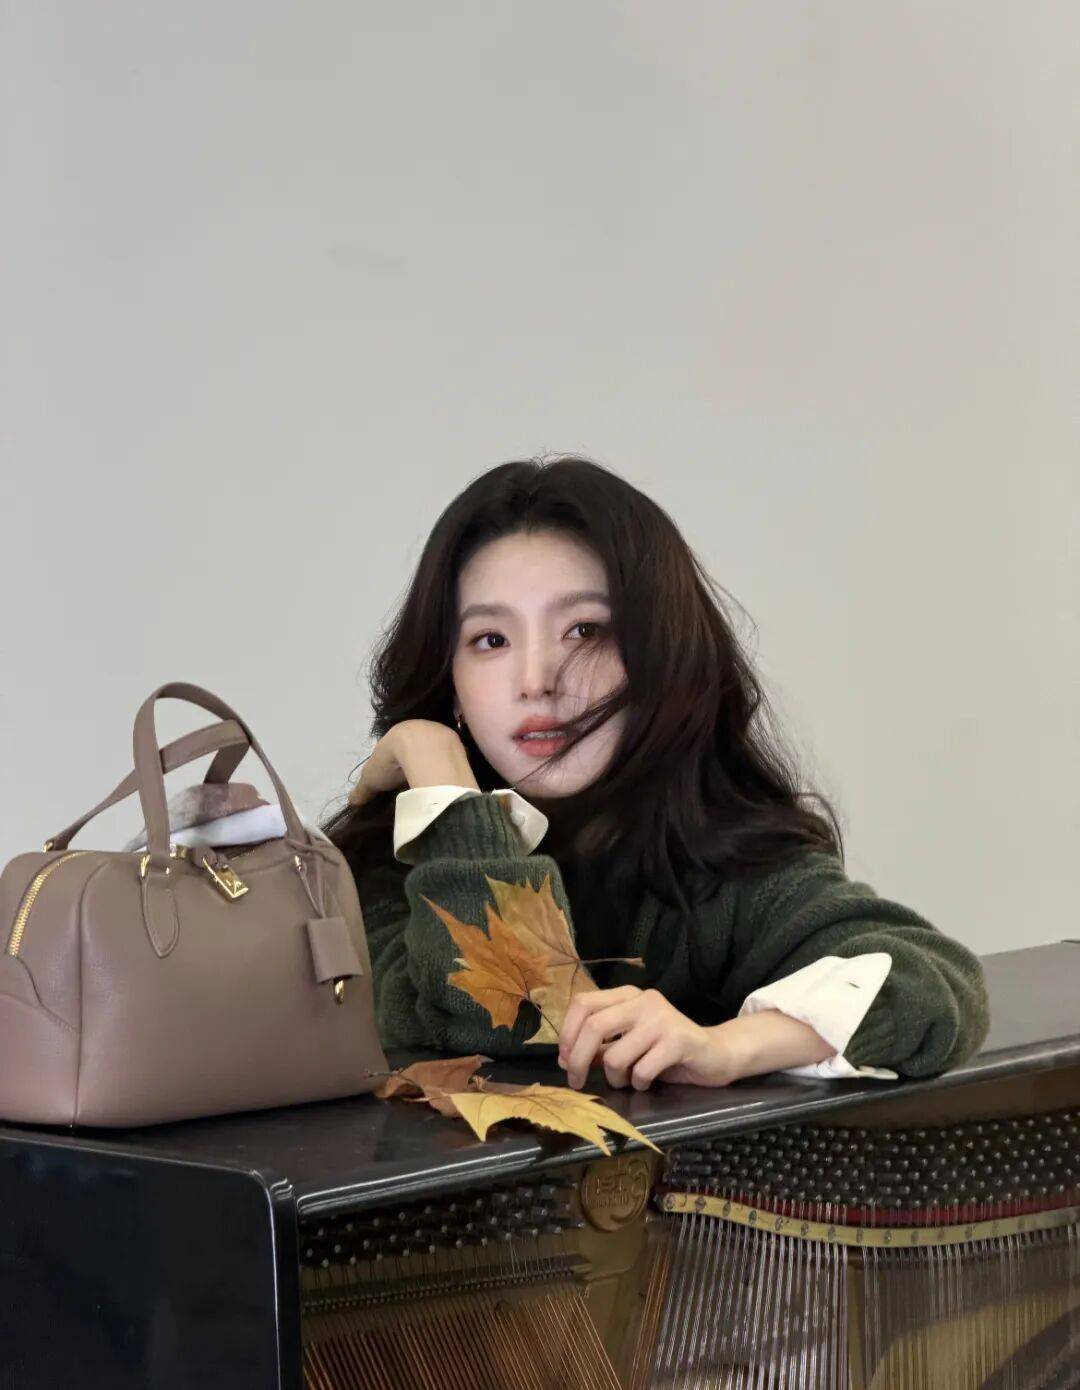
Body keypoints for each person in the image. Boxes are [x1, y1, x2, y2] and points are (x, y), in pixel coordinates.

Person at [320, 454, 990, 1092]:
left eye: (584, 631)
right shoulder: (379, 873)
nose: (536, 680)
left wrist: (729, 1046)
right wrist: (440, 774)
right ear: (452, 683)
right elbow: (509, 1013)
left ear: (660, 653)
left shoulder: (720, 866)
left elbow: (932, 987)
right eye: (490, 640)